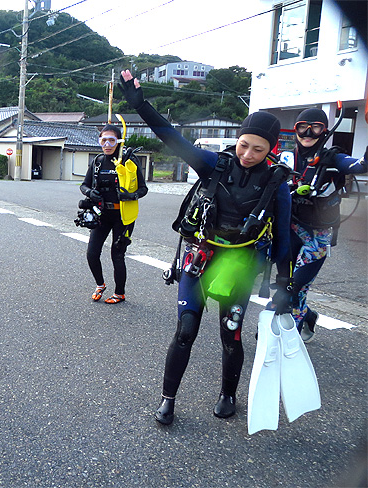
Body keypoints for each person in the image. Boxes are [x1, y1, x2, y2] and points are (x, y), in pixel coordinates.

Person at [119, 70, 293, 425]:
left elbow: (285, 239)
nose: (247, 153)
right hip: (200, 257)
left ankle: (228, 393)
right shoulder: (214, 164)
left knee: (231, 333)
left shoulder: (278, 185)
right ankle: (168, 399)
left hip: (240, 266)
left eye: (258, 149)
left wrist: (283, 284)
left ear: (271, 149)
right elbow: (172, 138)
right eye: (244, 144)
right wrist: (140, 105)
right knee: (185, 330)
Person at [287, 108, 367, 342]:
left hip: (318, 235)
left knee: (297, 284)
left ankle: (289, 334)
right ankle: (308, 317)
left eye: (316, 127)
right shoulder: (287, 156)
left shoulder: (334, 159)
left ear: (324, 131)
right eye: (303, 126)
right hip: (290, 228)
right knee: (286, 283)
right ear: (295, 129)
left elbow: (360, 165)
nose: (308, 132)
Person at [79, 123, 148, 304]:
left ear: (119, 142)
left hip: (123, 217)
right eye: (103, 140)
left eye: (112, 140)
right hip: (102, 215)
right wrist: (89, 192)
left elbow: (143, 189)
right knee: (92, 253)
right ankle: (100, 284)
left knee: (117, 254)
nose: (107, 144)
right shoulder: (98, 161)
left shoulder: (129, 162)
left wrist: (131, 196)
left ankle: (120, 293)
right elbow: (84, 184)